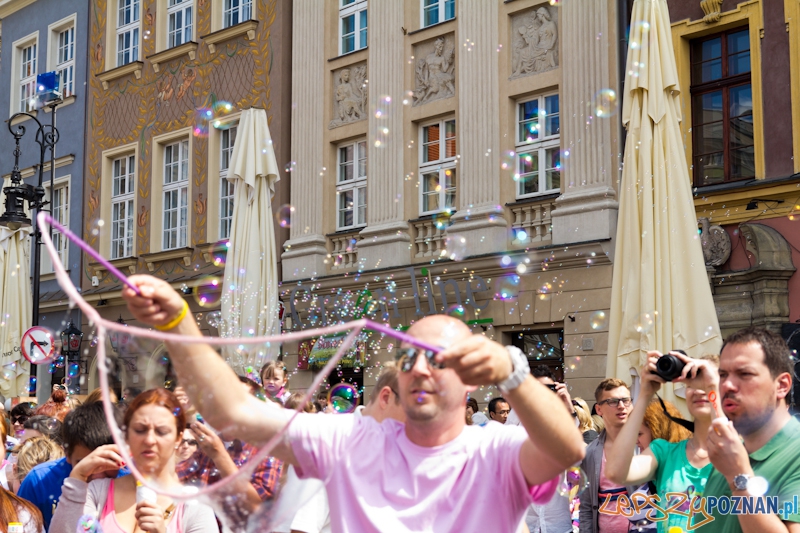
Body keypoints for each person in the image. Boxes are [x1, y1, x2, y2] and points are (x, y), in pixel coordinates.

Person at [121, 274, 585, 532]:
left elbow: (568, 451)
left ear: (470, 384)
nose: (420, 368)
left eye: (438, 360)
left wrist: (512, 372)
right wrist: (180, 322)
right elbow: (232, 413)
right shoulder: (351, 440)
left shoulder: (495, 451)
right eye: (408, 356)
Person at [51, 389, 218, 533]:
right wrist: (77, 476)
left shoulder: (194, 505)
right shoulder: (97, 492)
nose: (150, 440)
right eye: (140, 430)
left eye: (161, 431)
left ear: (178, 437)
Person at [697, 327, 800, 533]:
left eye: (744, 374)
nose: (727, 385)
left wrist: (739, 476)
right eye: (723, 374)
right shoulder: (729, 453)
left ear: (782, 385)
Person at [605, 352, 719, 533]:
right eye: (691, 383)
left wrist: (713, 388)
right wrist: (644, 394)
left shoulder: (741, 451)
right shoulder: (664, 452)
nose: (698, 389)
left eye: (705, 381)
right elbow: (615, 472)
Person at [177, 377, 283, 531]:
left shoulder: (267, 450)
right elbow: (175, 477)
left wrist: (219, 456)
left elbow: (257, 505)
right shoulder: (208, 446)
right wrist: (175, 416)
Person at [18, 401, 122, 530]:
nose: (96, 475)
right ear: (66, 453)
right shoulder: (39, 481)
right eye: (84, 464)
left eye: (107, 463)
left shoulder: (131, 481)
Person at [579, 378, 637, 533]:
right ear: (599, 410)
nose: (621, 406)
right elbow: (585, 505)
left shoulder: (644, 445)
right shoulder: (590, 452)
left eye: (626, 400)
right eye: (613, 401)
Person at [525, 367, 579, 533]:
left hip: (559, 525)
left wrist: (567, 404)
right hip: (529, 525)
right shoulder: (519, 423)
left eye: (548, 389)